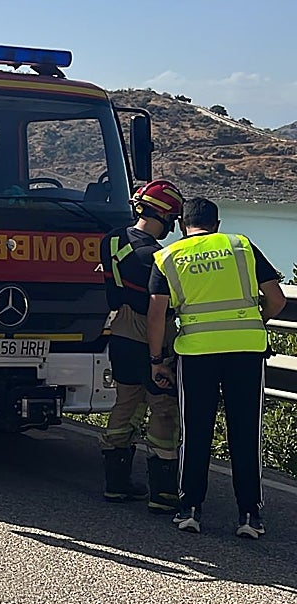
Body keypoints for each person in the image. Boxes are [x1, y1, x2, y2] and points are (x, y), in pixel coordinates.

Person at [147, 196, 286, 538]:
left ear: (182, 226)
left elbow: (156, 315)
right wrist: (256, 321)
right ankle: (250, 516)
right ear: (217, 224)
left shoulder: (167, 257)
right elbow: (277, 299)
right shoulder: (241, 246)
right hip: (246, 351)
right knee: (246, 433)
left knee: (195, 433)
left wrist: (156, 361)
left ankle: (190, 510)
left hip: (197, 354)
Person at [99, 179, 184, 512]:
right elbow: (162, 305)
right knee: (163, 407)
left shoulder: (111, 240)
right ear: (162, 215)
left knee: (125, 403)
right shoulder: (157, 256)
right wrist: (159, 354)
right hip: (152, 334)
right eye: (172, 219)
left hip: (119, 330)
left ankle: (116, 484)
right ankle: (163, 492)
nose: (172, 226)